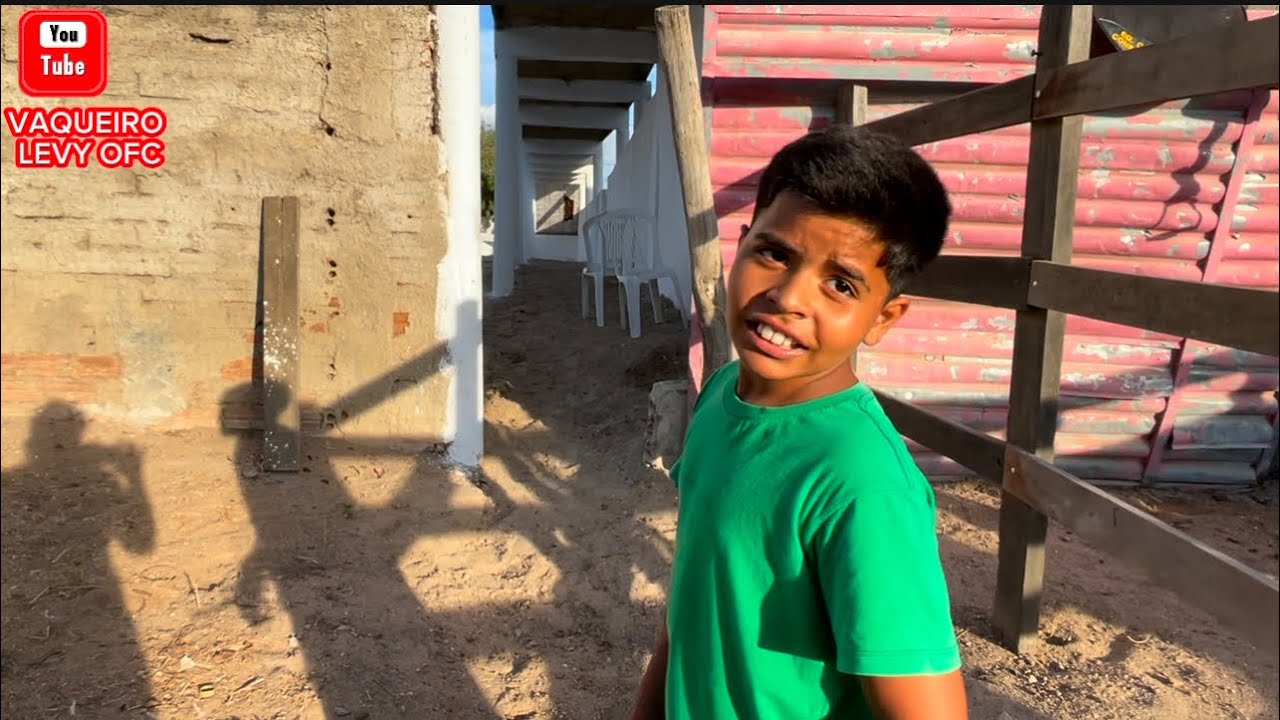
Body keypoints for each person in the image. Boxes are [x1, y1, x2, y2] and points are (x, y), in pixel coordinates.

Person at [628, 125, 968, 719]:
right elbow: (693, 599)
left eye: (840, 284)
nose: (788, 297)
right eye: (774, 253)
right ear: (740, 245)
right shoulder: (721, 398)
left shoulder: (862, 484)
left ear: (883, 318)